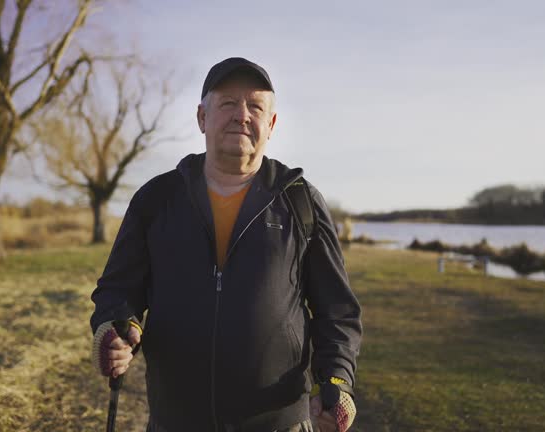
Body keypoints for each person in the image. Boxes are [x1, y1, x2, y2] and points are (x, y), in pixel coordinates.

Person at [90, 57, 362, 432]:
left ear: (272, 124)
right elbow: (118, 290)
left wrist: (337, 380)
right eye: (228, 104)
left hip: (279, 423)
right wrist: (115, 328)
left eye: (255, 106)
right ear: (202, 117)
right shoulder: (156, 199)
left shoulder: (301, 202)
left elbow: (337, 311)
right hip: (175, 421)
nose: (242, 115)